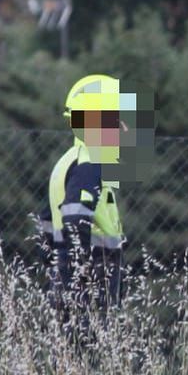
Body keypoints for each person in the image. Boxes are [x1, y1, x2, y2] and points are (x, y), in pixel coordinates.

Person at [40, 74, 127, 312]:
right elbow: (75, 220)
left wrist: (60, 269)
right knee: (89, 347)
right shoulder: (90, 163)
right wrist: (84, 272)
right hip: (91, 284)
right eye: (116, 121)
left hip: (67, 280)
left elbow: (47, 223)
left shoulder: (67, 161)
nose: (124, 129)